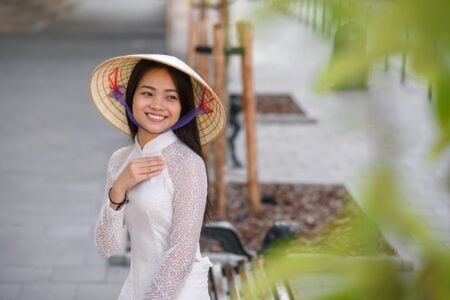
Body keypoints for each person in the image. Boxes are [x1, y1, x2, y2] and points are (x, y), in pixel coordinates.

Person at [90, 54, 226, 300]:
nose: (157, 105)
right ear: (130, 96)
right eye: (147, 93)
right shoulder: (120, 160)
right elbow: (107, 246)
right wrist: (118, 189)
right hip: (136, 287)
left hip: (179, 293)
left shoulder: (187, 164)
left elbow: (182, 253)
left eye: (171, 97)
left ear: (183, 108)